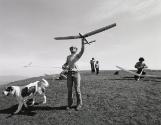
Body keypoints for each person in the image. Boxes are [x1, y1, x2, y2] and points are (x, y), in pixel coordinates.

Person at [62, 38, 85, 111]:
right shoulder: (68, 57)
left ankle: (79, 104)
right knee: (69, 90)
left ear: (76, 49)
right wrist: (64, 66)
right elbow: (66, 64)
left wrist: (82, 42)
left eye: (73, 48)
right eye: (71, 48)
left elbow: (82, 50)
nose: (72, 48)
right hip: (69, 74)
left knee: (77, 89)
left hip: (76, 74)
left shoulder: (77, 55)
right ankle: (69, 104)